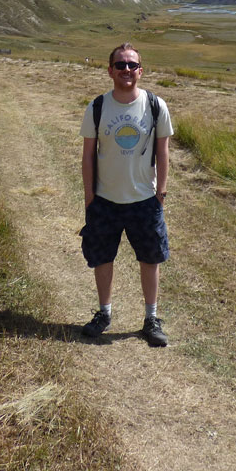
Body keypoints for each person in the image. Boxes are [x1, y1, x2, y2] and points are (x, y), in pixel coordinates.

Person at [79, 42, 174, 347]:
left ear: (141, 71)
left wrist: (160, 192)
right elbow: (88, 156)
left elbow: (163, 151)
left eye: (132, 65)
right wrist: (89, 198)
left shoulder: (156, 106)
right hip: (105, 200)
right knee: (102, 258)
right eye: (120, 65)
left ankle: (151, 319)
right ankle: (104, 314)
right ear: (110, 71)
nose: (127, 70)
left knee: (150, 259)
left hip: (145, 200)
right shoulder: (97, 107)